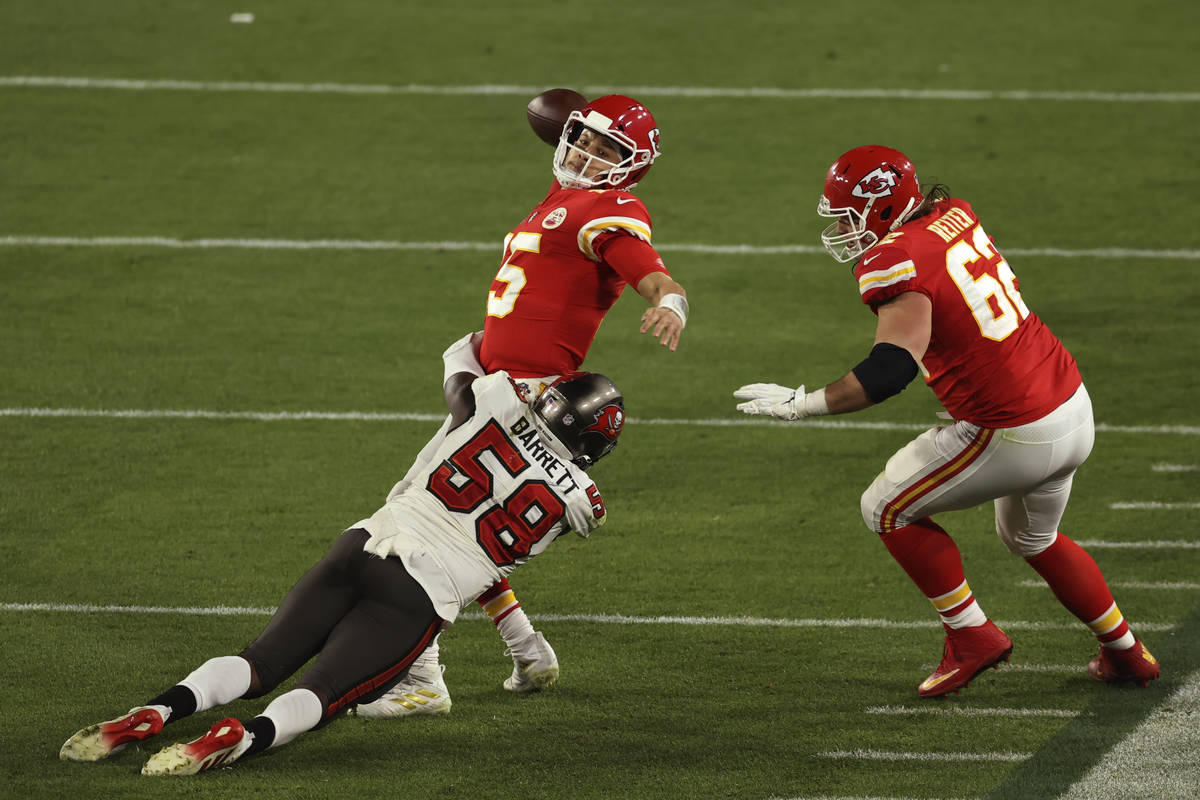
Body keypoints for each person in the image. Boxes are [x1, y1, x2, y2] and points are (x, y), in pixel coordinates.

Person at [733, 145, 1159, 697]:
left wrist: (803, 402)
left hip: (1015, 427)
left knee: (884, 507)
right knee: (1032, 536)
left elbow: (890, 370)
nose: (841, 227)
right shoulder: (952, 213)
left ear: (883, 209)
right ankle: (1126, 653)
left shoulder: (893, 259)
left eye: (848, 215)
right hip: (1071, 403)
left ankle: (972, 635)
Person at [59, 369, 626, 775]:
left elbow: (461, 367)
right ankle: (243, 736)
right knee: (324, 691)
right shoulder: (584, 506)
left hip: (364, 544)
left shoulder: (501, 397)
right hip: (421, 593)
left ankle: (159, 709)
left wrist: (516, 378)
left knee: (259, 661)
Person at [354, 94, 689, 718]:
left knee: (415, 529)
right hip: (497, 386)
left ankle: (422, 679)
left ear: (630, 166)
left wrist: (668, 301)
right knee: (456, 531)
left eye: (606, 149)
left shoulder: (610, 209)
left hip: (525, 403)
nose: (587, 153)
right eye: (584, 138)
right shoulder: (561, 200)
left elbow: (650, 271)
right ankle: (527, 649)